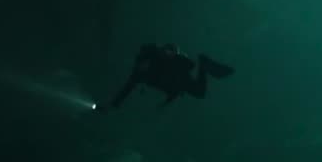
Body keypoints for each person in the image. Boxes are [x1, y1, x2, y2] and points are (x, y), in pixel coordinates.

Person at [98, 44, 234, 110]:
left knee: (199, 92)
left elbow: (182, 60)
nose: (142, 66)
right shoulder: (138, 74)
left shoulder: (156, 57)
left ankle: (203, 63)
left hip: (180, 77)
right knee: (200, 93)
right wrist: (112, 105)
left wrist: (172, 54)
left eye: (143, 63)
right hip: (178, 83)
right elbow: (125, 91)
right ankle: (203, 65)